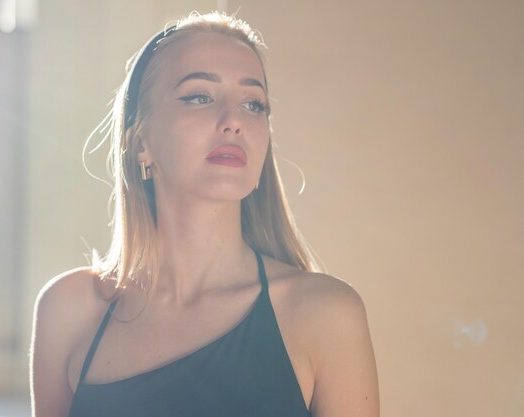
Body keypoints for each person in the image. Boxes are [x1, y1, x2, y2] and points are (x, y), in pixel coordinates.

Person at [30, 11, 379, 417]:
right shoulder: (69, 309)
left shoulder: (325, 314)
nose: (234, 121)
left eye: (254, 104)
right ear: (141, 141)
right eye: (199, 96)